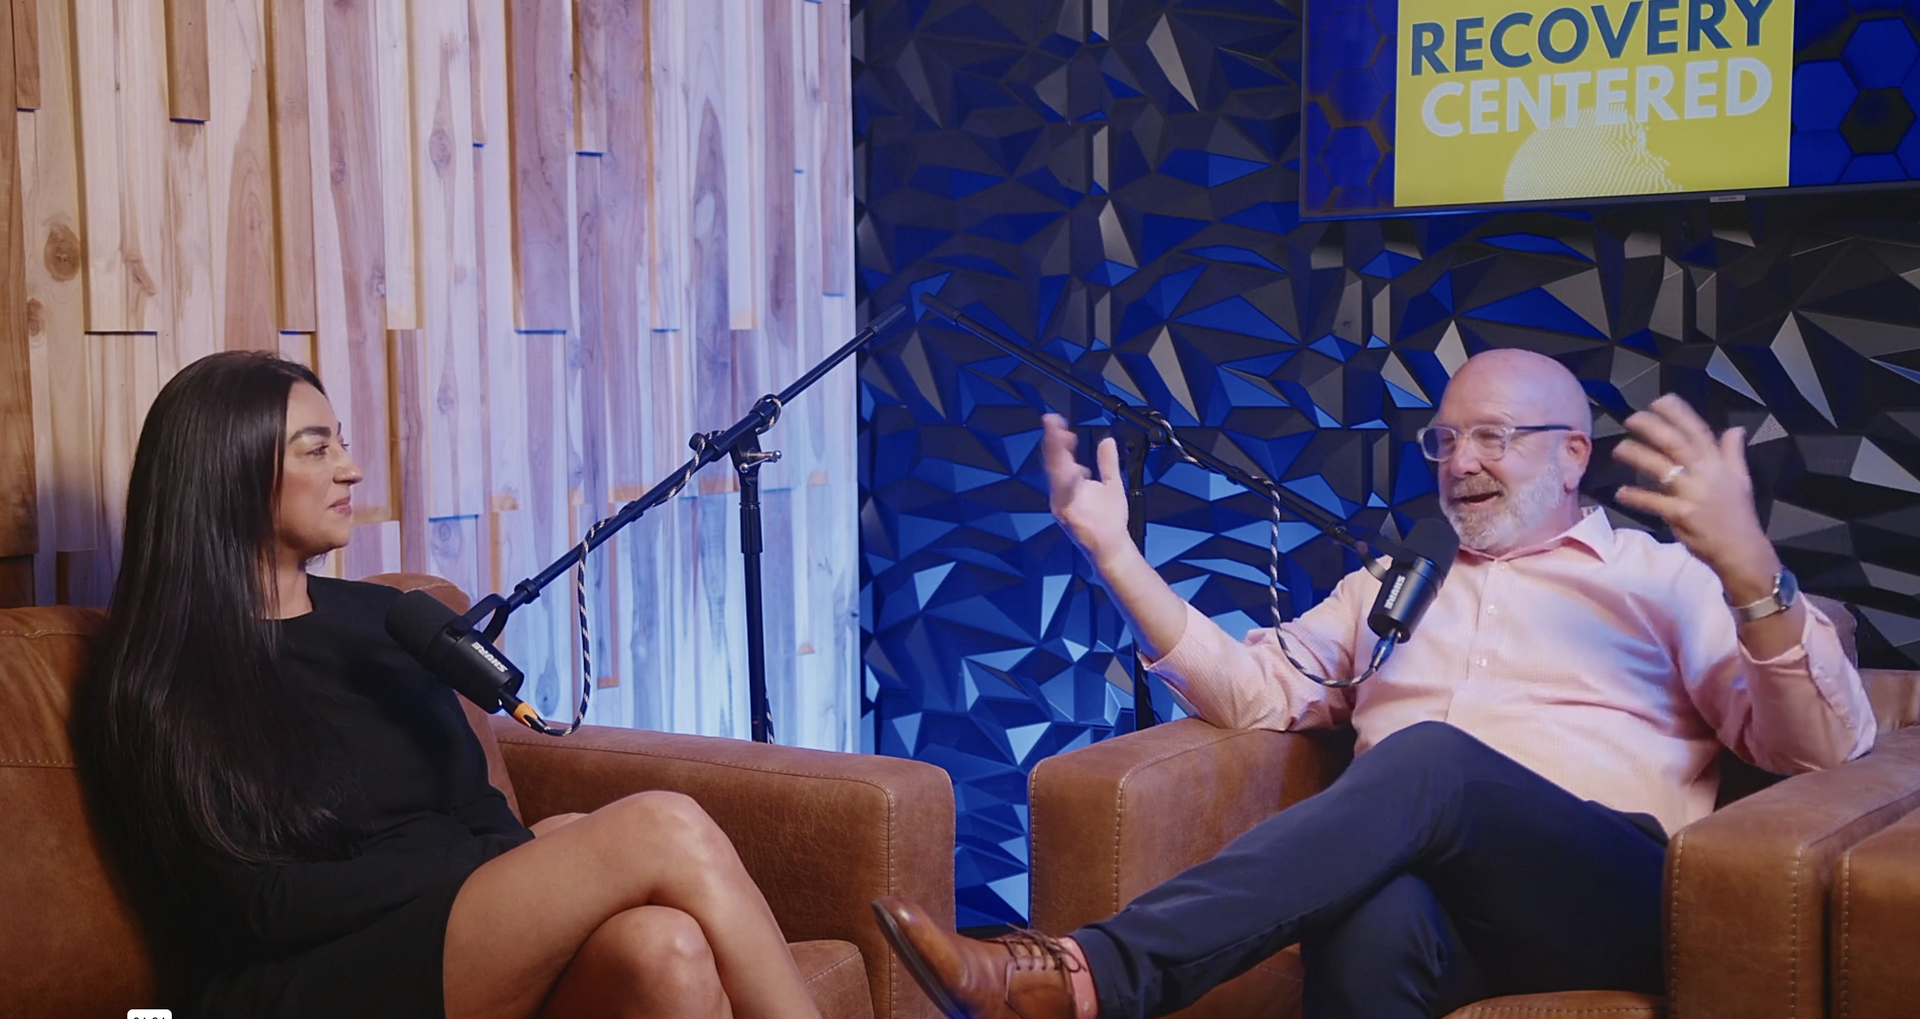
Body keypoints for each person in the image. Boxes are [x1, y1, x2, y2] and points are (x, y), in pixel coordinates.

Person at [869, 348, 1876, 1019]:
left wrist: (1750, 568)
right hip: (1446, 909)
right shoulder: (1394, 586)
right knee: (1367, 920)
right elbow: (1252, 689)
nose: (1460, 460)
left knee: (1433, 761)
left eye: (1493, 436)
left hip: (1603, 895)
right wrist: (1115, 554)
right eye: (1446, 438)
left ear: (1573, 455)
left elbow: (1824, 751)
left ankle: (1088, 973)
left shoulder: (1665, 579)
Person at [73, 351, 823, 1019]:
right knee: (663, 825)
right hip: (308, 975)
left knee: (664, 950)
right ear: (229, 474)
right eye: (317, 448)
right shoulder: (160, 676)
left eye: (342, 443)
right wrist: (497, 867)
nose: (349, 469)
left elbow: (473, 802)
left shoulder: (387, 619)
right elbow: (257, 908)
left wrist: (523, 857)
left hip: (450, 931)